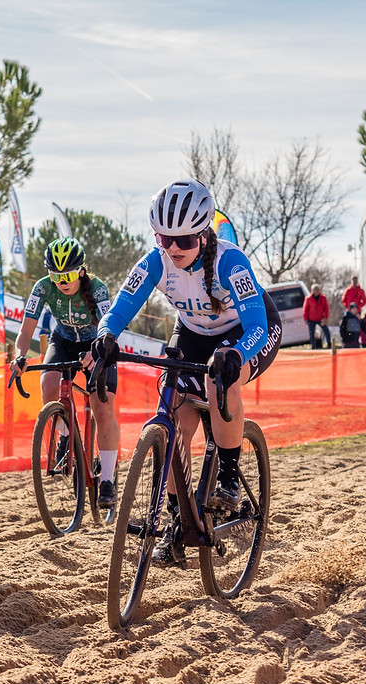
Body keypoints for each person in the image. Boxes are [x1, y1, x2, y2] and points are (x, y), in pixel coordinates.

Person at [90, 178, 282, 566]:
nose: (174, 248)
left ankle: (228, 478)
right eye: (165, 238)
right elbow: (119, 308)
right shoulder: (154, 261)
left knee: (220, 382)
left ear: (205, 235)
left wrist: (237, 354)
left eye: (185, 241)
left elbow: (257, 325)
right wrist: (105, 335)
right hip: (193, 333)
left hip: (245, 332)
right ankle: (180, 521)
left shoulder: (230, 261)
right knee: (175, 410)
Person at [11, 237, 119, 509]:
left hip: (97, 343)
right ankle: (64, 433)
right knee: (47, 382)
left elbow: (112, 327)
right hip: (63, 340)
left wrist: (96, 354)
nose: (61, 281)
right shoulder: (42, 287)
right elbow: (25, 331)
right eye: (55, 275)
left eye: (68, 275)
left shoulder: (98, 289)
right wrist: (19, 356)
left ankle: (107, 479)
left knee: (102, 408)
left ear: (81, 271)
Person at [303, 284, 331, 349]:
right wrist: (305, 318)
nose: (316, 291)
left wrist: (326, 318)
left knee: (326, 331)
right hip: (311, 319)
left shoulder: (323, 298)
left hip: (320, 318)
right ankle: (313, 346)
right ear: (312, 290)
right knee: (312, 334)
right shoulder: (308, 298)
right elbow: (305, 309)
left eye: (317, 289)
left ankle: (329, 344)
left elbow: (326, 308)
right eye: (315, 289)